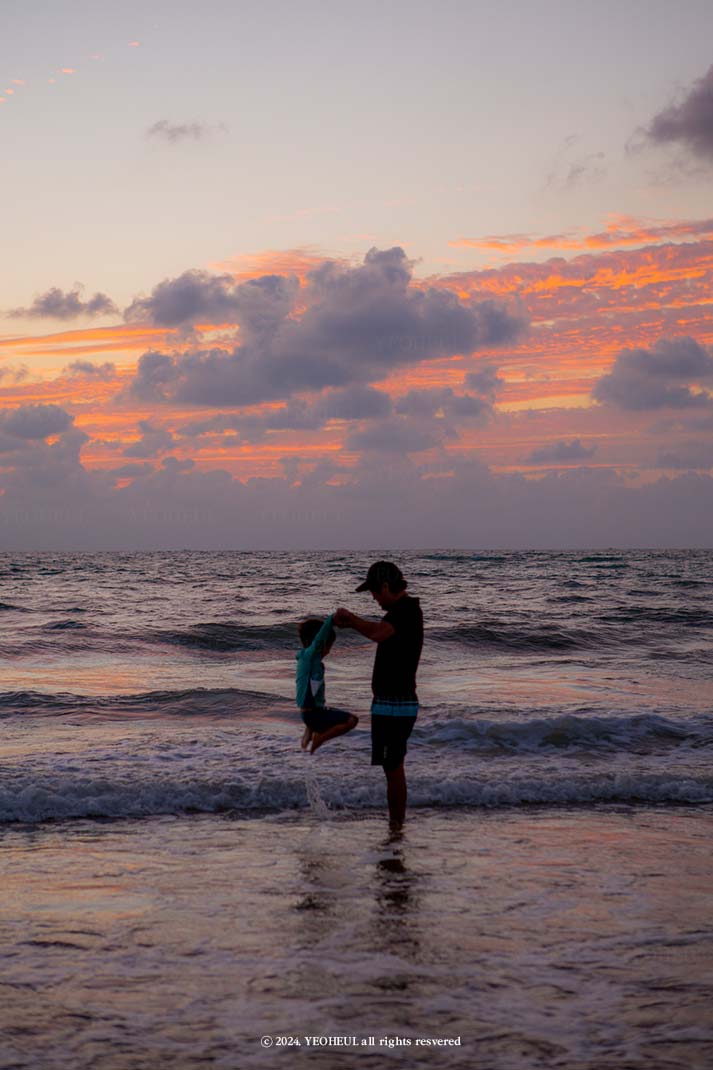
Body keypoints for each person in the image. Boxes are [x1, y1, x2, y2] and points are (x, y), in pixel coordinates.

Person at [335, 562, 423, 826]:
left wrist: (351, 621)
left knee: (393, 767)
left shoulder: (404, 610)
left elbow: (377, 633)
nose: (373, 597)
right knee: (392, 767)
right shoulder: (403, 611)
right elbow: (379, 631)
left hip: (395, 703)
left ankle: (396, 830)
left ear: (385, 587)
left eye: (374, 591)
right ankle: (396, 827)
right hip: (392, 702)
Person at [296, 614, 358, 754]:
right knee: (351, 720)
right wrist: (331, 621)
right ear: (322, 644)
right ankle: (320, 738)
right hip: (312, 715)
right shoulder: (309, 657)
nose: (329, 651)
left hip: (310, 713)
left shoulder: (307, 662)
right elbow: (318, 640)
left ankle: (310, 732)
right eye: (329, 646)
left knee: (324, 710)